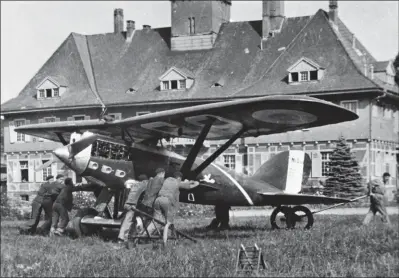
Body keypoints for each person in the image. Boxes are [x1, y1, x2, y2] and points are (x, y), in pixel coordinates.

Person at [116, 174, 149, 243]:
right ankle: (121, 238)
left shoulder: (135, 185)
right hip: (132, 205)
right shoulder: (144, 184)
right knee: (129, 220)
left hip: (127, 204)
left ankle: (128, 236)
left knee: (128, 220)